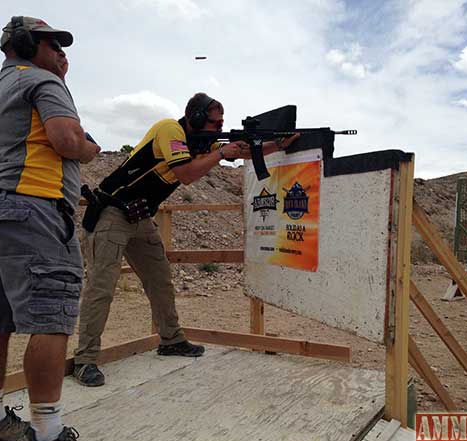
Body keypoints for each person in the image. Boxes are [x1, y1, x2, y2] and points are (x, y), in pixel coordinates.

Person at [72, 93, 298, 387]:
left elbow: (242, 152)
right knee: (101, 288)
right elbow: (186, 174)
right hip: (112, 213)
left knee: (160, 280)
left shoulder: (203, 142)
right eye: (214, 122)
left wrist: (279, 144)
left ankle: (171, 340)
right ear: (196, 118)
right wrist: (221, 153)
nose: (219, 127)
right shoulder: (170, 130)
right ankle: (85, 359)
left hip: (140, 217)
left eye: (221, 123)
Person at [0, 16, 100, 441]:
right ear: (26, 44)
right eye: (53, 44)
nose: (63, 53)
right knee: (51, 321)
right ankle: (47, 435)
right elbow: (66, 140)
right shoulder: (44, 80)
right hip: (33, 208)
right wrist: (89, 148)